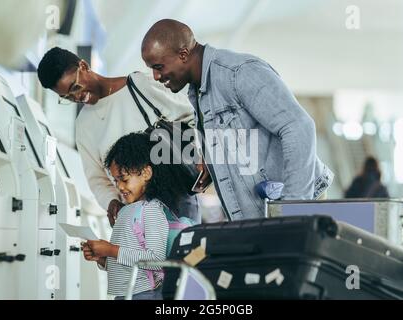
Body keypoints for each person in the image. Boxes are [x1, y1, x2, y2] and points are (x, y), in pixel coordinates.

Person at [141, 19, 334, 221]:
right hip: (261, 216)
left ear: (183, 54)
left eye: (159, 67)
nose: (155, 76)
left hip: (292, 208)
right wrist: (213, 163)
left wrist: (293, 207)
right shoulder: (198, 91)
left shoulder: (238, 72)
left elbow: (299, 127)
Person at [37, 47, 201, 225]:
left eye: (75, 87)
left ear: (83, 66)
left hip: (176, 199)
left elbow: (191, 118)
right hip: (135, 215)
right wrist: (112, 201)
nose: (77, 97)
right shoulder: (84, 124)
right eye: (67, 97)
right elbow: (96, 177)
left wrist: (201, 157)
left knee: (184, 251)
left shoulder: (139, 85)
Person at [82, 133, 191, 300]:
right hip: (125, 294)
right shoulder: (126, 210)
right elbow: (129, 259)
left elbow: (156, 259)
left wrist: (111, 250)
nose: (119, 186)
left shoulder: (152, 210)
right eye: (116, 180)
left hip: (145, 294)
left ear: (146, 173)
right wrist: (104, 259)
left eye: (124, 179)